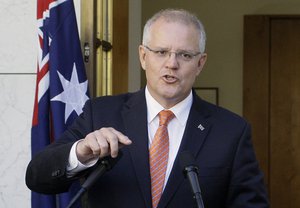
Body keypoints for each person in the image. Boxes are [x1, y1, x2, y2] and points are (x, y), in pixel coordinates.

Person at [26, 8, 269, 208]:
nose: (171, 64)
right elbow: (37, 176)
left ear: (200, 63)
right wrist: (80, 152)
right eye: (161, 52)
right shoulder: (100, 114)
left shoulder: (231, 131)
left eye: (184, 55)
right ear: (143, 57)